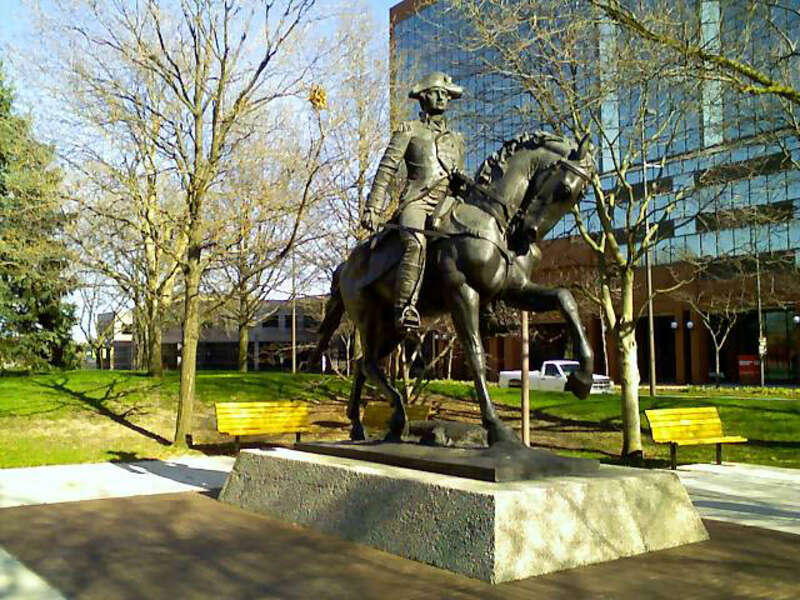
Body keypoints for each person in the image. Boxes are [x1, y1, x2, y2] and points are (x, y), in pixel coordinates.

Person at [361, 71, 466, 332]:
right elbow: (387, 169)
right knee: (416, 242)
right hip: (418, 201)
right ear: (423, 97)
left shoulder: (457, 139)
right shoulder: (409, 130)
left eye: (446, 93)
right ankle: (405, 307)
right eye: (435, 92)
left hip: (449, 202)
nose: (442, 96)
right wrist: (373, 207)